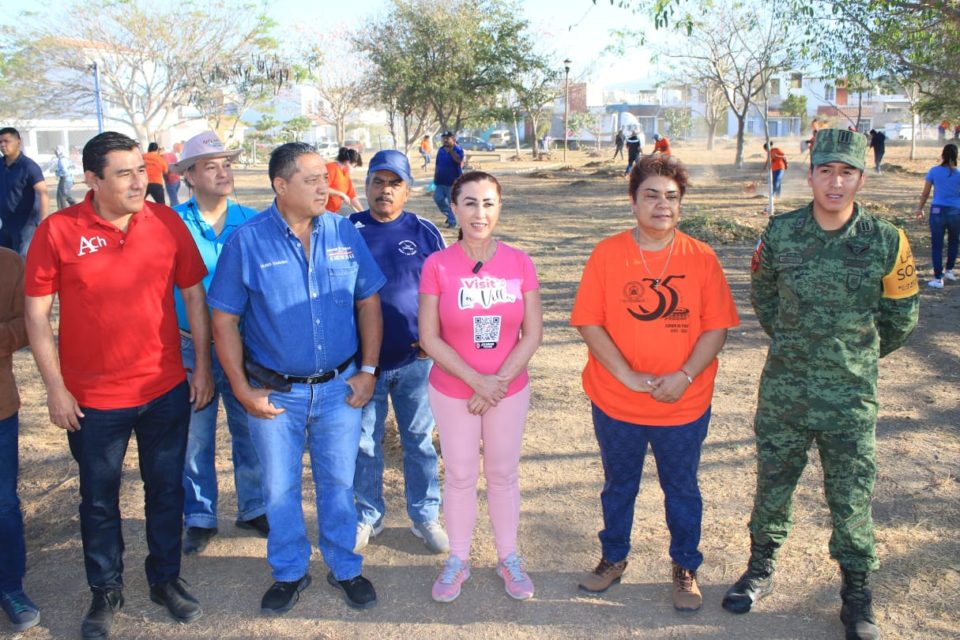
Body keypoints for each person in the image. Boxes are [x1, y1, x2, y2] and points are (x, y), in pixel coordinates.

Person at [721, 129, 919, 640]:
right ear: (809, 175)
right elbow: (764, 297)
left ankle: (856, 593)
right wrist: (797, 343)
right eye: (826, 171)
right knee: (773, 485)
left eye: (846, 172)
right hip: (785, 390)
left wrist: (855, 357)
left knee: (851, 496)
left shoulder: (887, 239)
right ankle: (759, 569)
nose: (836, 182)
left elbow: (901, 317)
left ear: (860, 176)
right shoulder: (780, 235)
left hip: (851, 397)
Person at [23, 131, 212, 639]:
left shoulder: (165, 220)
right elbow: (37, 316)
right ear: (92, 179)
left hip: (164, 390)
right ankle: (105, 591)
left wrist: (204, 368)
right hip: (92, 402)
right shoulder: (59, 231)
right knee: (99, 500)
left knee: (166, 491)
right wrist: (55, 389)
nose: (140, 181)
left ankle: (165, 579)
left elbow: (194, 295)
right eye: (125, 173)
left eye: (141, 170)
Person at [208, 142, 386, 614]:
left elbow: (368, 300)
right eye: (310, 180)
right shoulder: (247, 241)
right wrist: (243, 390)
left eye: (324, 178)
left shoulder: (345, 232)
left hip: (339, 388)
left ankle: (345, 566)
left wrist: (368, 371)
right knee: (278, 489)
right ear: (280, 186)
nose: (323, 187)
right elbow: (222, 319)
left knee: (338, 483)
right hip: (276, 394)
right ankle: (289, 571)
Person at [571, 155, 739, 611]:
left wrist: (684, 377)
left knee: (681, 487)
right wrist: (624, 373)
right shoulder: (608, 254)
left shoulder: (701, 257)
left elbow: (716, 327)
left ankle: (685, 567)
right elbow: (588, 321)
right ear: (633, 202)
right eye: (651, 195)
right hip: (615, 401)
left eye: (672, 197)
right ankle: (613, 558)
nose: (662, 205)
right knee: (618, 484)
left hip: (682, 403)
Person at [419, 171, 543, 603]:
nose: (479, 212)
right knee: (459, 474)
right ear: (453, 209)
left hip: (508, 390)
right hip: (454, 391)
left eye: (488, 202)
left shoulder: (519, 262)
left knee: (504, 474)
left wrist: (498, 383)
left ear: (500, 207)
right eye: (469, 203)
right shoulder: (437, 265)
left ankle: (508, 557)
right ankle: (458, 559)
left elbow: (532, 332)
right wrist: (476, 382)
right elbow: (429, 336)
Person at [169, 131, 268, 555]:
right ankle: (200, 515)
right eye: (210, 166)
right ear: (189, 176)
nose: (222, 172)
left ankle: (254, 506)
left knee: (249, 430)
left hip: (245, 346)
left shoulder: (254, 220)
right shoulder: (169, 222)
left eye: (226, 164)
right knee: (196, 435)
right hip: (191, 346)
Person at [349, 150, 448, 555]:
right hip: (362, 366)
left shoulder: (425, 231)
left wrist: (435, 338)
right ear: (366, 186)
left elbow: (446, 291)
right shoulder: (346, 230)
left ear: (407, 190)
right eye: (377, 182)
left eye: (394, 184)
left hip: (414, 363)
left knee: (419, 440)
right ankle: (366, 514)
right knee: (364, 443)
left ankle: (425, 515)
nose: (384, 191)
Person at [0, 248, 39, 633]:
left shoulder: (9, 263)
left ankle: (10, 587)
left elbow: (29, 325)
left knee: (4, 504)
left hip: (0, 408)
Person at [914, 143, 960, 289]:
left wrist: (920, 208)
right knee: (954, 241)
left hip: (937, 211)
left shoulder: (934, 171)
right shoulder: (959, 173)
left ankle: (938, 278)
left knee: (937, 245)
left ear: (943, 155)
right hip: (955, 211)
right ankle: (950, 270)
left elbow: (926, 192)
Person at [0, 127, 48, 255]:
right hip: (5, 223)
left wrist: (42, 221)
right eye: (0, 142)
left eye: (7, 141)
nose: (3, 145)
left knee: (24, 261)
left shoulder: (28, 166)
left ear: (18, 143)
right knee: (6, 261)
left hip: (26, 225)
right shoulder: (1, 164)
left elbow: (43, 192)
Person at [432, 132, 464, 229]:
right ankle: (450, 215)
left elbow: (459, 161)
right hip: (440, 181)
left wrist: (451, 152)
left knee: (452, 203)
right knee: (438, 199)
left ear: (453, 139)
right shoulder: (441, 150)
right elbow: (437, 164)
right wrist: (435, 176)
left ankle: (452, 222)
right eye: (444, 138)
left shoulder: (458, 149)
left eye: (447, 138)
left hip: (452, 183)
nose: (445, 140)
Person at [325, 147, 364, 214]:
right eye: (354, 166)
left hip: (332, 213)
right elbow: (321, 188)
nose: (355, 169)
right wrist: (341, 194)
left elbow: (352, 197)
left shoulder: (346, 174)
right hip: (321, 212)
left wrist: (362, 212)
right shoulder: (331, 168)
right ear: (348, 162)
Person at [53, 145, 78, 210]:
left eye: (56, 151)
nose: (55, 153)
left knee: (62, 197)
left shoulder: (62, 160)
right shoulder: (64, 159)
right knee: (66, 195)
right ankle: (76, 207)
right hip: (68, 180)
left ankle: (62, 211)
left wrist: (57, 173)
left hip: (65, 180)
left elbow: (65, 171)